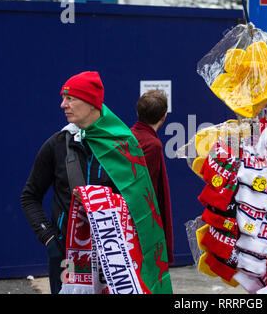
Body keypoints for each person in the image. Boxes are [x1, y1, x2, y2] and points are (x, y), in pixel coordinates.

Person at [20, 72, 172, 294]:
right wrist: (50, 239)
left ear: (92, 102)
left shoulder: (124, 145)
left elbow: (143, 206)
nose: (63, 105)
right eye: (64, 98)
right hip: (69, 256)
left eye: (70, 98)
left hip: (115, 260)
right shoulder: (56, 145)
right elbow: (29, 197)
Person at [130, 89, 174, 264]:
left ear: (137, 112)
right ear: (163, 117)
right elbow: (148, 187)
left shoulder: (128, 136)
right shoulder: (152, 144)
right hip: (143, 221)